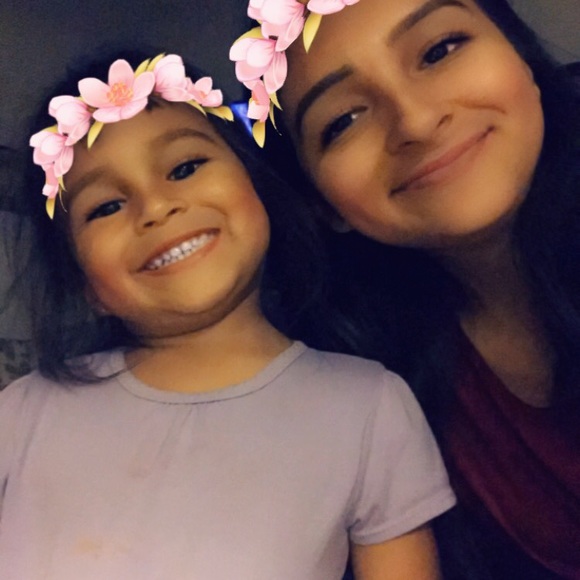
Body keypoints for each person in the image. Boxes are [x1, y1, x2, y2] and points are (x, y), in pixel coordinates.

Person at [0, 51, 455, 579]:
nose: (156, 208)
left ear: (258, 189)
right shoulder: (23, 411)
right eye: (105, 207)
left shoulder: (370, 406)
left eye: (185, 168)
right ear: (85, 284)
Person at [229, 0, 580, 578]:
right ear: (323, 204)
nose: (415, 122)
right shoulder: (375, 395)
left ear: (522, 59)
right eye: (343, 120)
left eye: (440, 50)